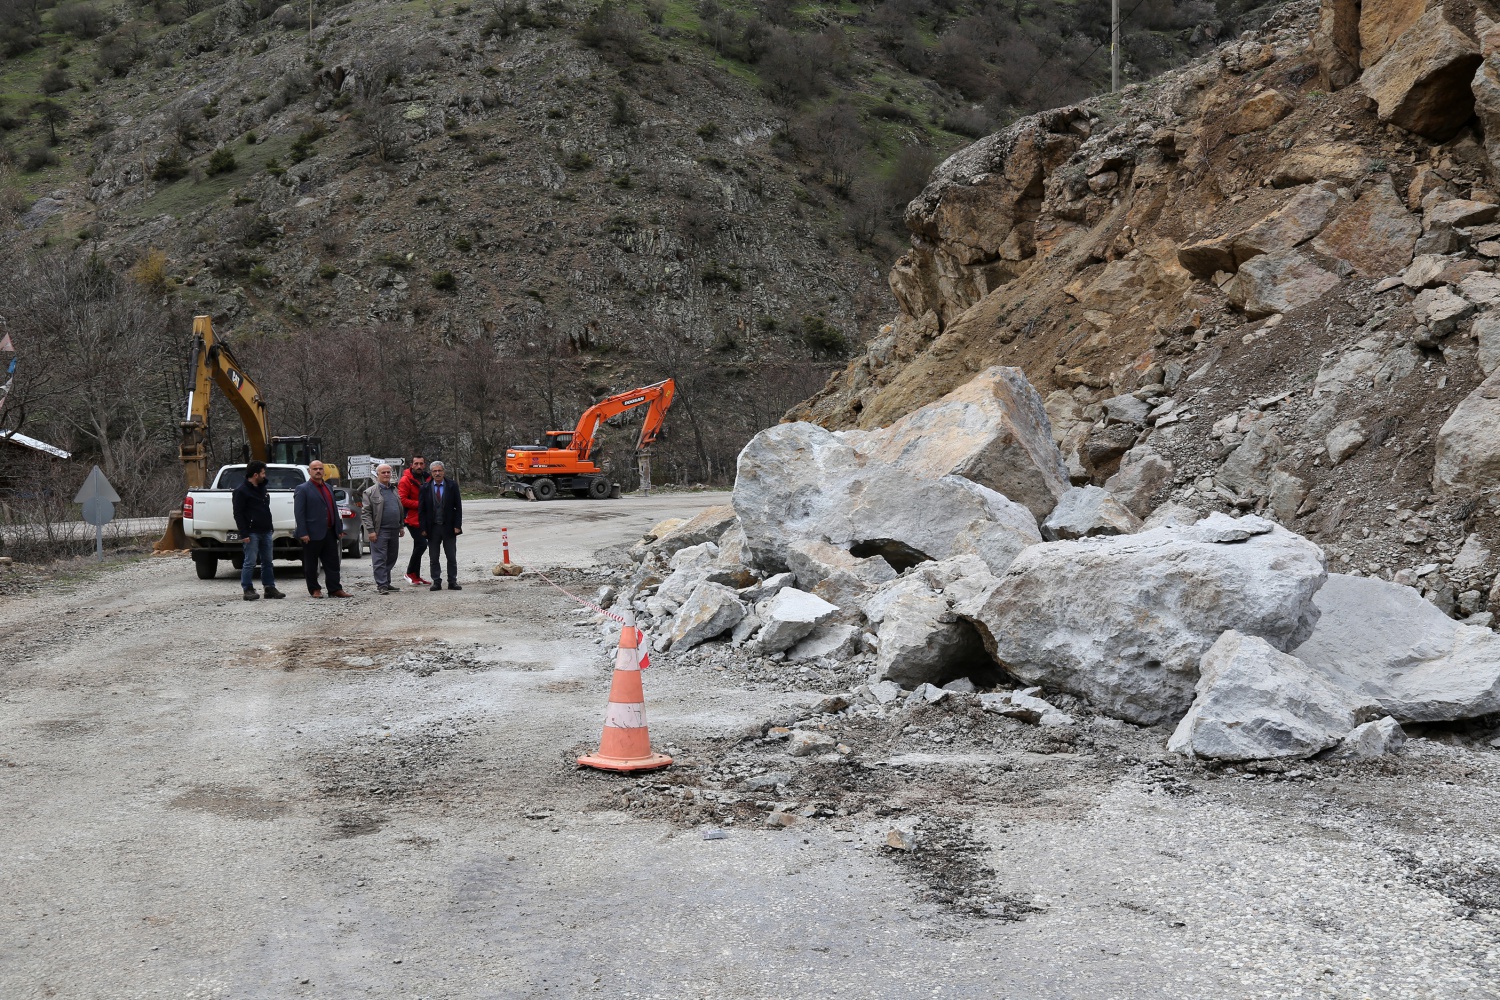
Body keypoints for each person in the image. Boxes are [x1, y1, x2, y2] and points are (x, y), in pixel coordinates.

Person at [293, 460, 350, 598]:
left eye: (320, 468)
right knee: (311, 564)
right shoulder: (303, 489)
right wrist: (303, 532)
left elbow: (333, 510)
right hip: (312, 534)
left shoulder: (328, 487)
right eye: (315, 469)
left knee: (333, 563)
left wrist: (338, 528)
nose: (318, 471)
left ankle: (335, 589)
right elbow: (299, 513)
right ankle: (314, 589)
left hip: (330, 532)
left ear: (324, 471)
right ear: (309, 471)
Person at [232, 460, 284, 601]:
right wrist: (244, 533)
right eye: (263, 473)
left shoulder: (262, 488)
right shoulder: (241, 491)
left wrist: (270, 526)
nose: (264, 475)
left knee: (268, 561)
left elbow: (265, 509)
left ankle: (269, 587)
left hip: (266, 530)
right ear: (255, 475)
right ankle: (247, 588)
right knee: (250, 561)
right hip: (251, 532)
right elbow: (238, 513)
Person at [417, 460, 463, 591]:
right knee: (434, 557)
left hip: (448, 527)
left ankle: (452, 581)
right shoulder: (425, 488)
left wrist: (457, 525)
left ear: (443, 472)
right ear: (431, 473)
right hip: (433, 528)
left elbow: (458, 507)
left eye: (439, 471)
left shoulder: (452, 486)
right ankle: (436, 581)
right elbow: (421, 510)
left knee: (451, 556)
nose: (437, 473)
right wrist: (423, 528)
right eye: (434, 471)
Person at [360, 463, 405, 595]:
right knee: (379, 558)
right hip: (380, 531)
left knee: (392, 557)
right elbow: (366, 513)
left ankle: (386, 581)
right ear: (377, 475)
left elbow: (400, 509)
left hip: (394, 529)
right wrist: (371, 530)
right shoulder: (370, 492)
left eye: (388, 472)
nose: (386, 475)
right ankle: (382, 585)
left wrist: (401, 526)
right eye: (383, 473)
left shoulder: (394, 490)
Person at [398, 454, 431, 587]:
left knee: (419, 545)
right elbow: (402, 500)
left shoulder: (427, 478)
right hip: (412, 519)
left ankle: (415, 575)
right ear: (411, 464)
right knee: (422, 544)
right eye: (416, 463)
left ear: (424, 464)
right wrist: (420, 504)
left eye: (421, 463)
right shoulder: (406, 480)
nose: (418, 466)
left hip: (425, 519)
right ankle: (410, 572)